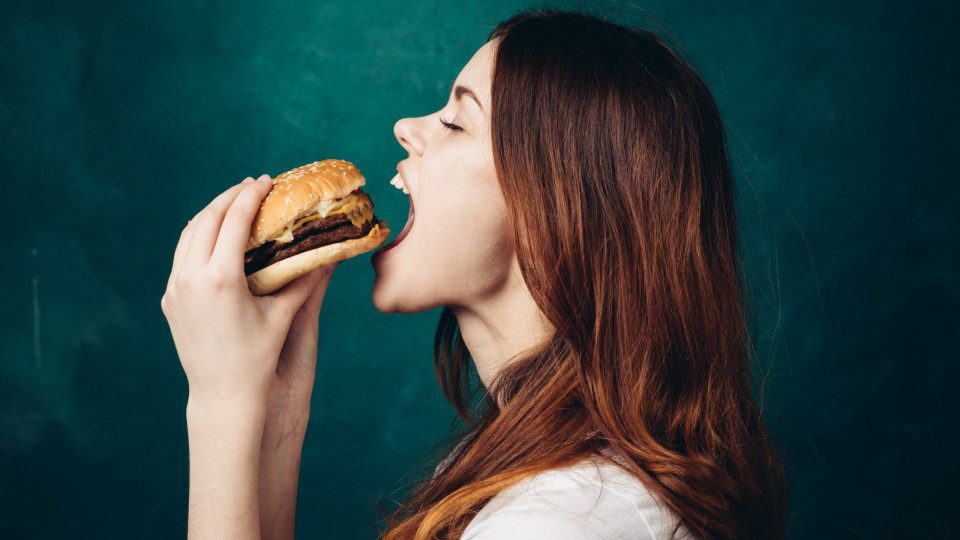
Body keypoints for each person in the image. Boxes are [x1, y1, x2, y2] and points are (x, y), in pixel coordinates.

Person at [161, 9, 789, 540]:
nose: (407, 128)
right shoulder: (525, 476)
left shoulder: (561, 522)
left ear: (557, 203)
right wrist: (274, 412)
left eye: (456, 121)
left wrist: (218, 405)